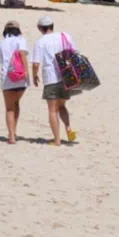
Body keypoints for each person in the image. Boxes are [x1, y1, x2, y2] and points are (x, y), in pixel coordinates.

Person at [30, 15, 79, 145]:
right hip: (67, 76)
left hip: (51, 77)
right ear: (52, 25)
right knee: (62, 105)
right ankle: (68, 128)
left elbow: (35, 64)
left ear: (40, 28)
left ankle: (57, 140)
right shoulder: (64, 35)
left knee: (52, 110)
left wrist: (34, 76)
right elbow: (75, 53)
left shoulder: (40, 42)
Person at [0, 20, 31, 145]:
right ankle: (14, 131)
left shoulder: (1, 44)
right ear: (18, 30)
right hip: (21, 78)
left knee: (9, 108)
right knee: (16, 103)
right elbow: (23, 54)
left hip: (8, 79)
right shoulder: (21, 40)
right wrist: (26, 71)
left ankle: (12, 136)